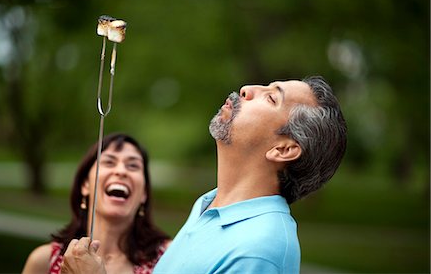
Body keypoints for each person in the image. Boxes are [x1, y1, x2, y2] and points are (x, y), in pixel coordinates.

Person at [60, 76, 347, 274]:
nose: (247, 89)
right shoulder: (208, 206)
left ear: (284, 149)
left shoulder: (258, 250)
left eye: (271, 98)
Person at [22, 133, 171, 274]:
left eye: (133, 166)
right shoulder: (44, 262)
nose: (121, 171)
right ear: (85, 185)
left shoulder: (169, 257)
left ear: (144, 193)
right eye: (109, 162)